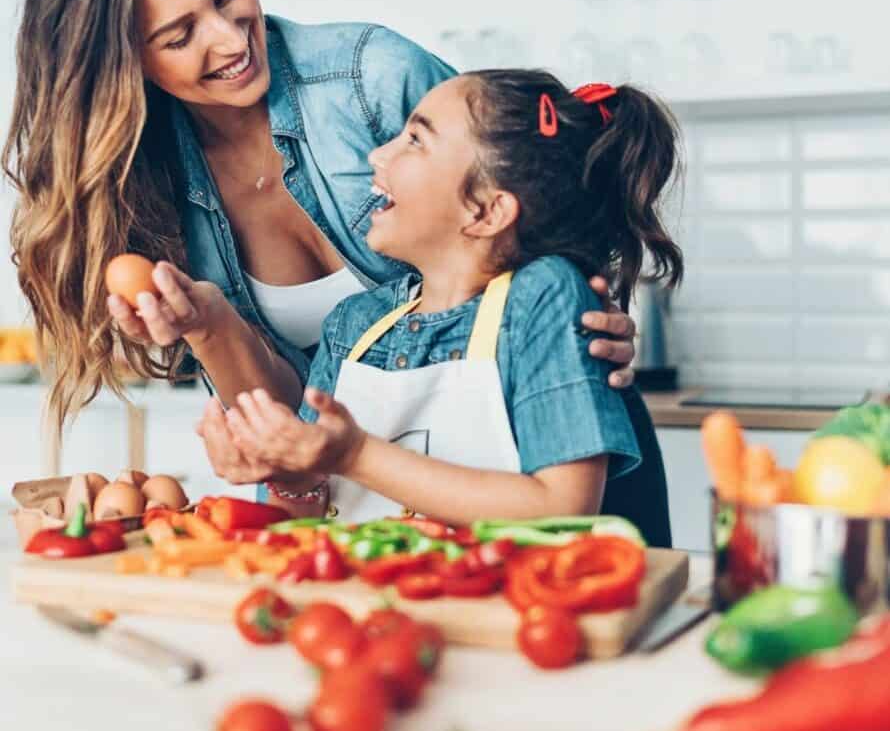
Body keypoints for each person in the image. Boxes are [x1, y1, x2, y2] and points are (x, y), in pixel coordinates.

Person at [2, 0, 636, 500]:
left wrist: (586, 318)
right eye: (180, 34)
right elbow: (306, 449)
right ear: (121, 61)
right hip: (392, 528)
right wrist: (211, 326)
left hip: (560, 469)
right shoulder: (142, 190)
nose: (230, 38)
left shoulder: (373, 80)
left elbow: (530, 193)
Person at [201, 71, 683, 541]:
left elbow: (563, 508)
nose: (378, 154)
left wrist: (355, 456)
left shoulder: (542, 297)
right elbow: (301, 516)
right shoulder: (353, 325)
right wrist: (284, 470)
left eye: (415, 139)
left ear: (486, 211)